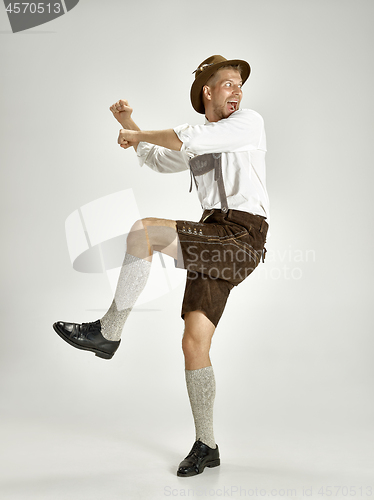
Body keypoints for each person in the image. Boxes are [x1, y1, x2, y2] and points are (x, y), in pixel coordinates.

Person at [53, 55, 269, 477]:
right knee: (194, 342)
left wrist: (137, 131)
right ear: (207, 91)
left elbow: (183, 136)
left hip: (241, 235)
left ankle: (108, 332)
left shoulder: (249, 123)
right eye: (228, 84)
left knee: (145, 232)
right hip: (214, 235)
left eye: (240, 85)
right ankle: (207, 445)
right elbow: (158, 156)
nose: (237, 92)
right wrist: (131, 125)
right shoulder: (200, 141)